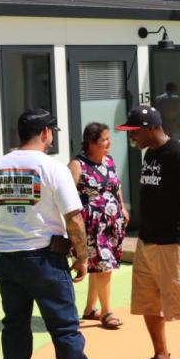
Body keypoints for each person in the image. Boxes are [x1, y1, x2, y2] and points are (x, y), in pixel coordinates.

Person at [0, 108, 101, 359]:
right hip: (46, 260)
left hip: (8, 260)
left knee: (15, 332)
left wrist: (5, 241)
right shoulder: (52, 168)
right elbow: (74, 218)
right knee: (65, 331)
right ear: (44, 133)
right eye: (51, 131)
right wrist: (82, 258)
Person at [117, 104, 180, 359]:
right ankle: (161, 357)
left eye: (133, 132)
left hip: (175, 244)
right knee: (148, 303)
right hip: (148, 242)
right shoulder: (150, 154)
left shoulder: (179, 155)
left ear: (149, 128)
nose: (131, 138)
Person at [69, 122, 128, 329]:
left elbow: (116, 186)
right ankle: (106, 312)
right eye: (104, 139)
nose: (108, 143)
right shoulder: (77, 165)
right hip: (92, 225)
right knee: (104, 266)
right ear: (91, 143)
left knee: (101, 266)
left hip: (111, 223)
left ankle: (89, 309)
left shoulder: (109, 160)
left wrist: (122, 207)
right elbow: (67, 196)